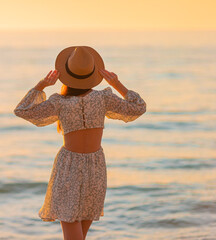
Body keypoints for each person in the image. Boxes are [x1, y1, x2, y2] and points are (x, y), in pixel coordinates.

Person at [13, 46, 147, 240]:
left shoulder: (59, 102)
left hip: (69, 167)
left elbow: (22, 110)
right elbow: (138, 107)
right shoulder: (103, 98)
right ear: (93, 74)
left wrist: (41, 85)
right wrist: (117, 84)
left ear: (66, 75)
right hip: (96, 167)